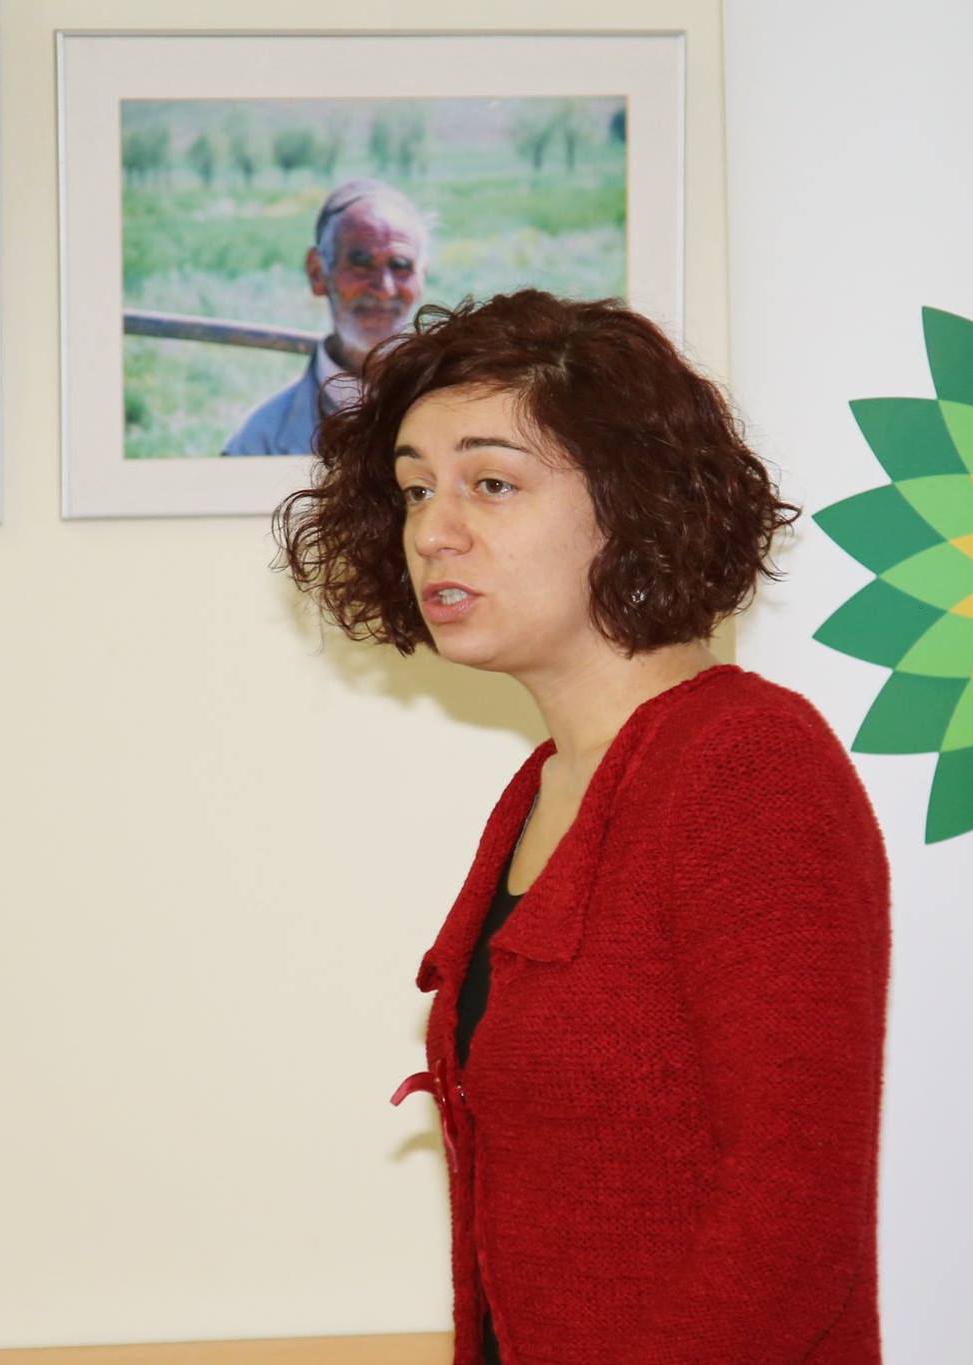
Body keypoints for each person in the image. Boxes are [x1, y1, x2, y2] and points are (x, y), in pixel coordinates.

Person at [273, 289, 891, 1363]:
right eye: (415, 489)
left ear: (632, 501)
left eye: (491, 483)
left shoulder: (746, 765)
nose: (433, 530)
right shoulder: (547, 787)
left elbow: (790, 1220)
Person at [221, 178, 431, 456]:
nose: (384, 289)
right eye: (361, 263)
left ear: (422, 277)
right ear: (317, 272)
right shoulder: (262, 442)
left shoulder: (463, 410)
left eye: (400, 265)